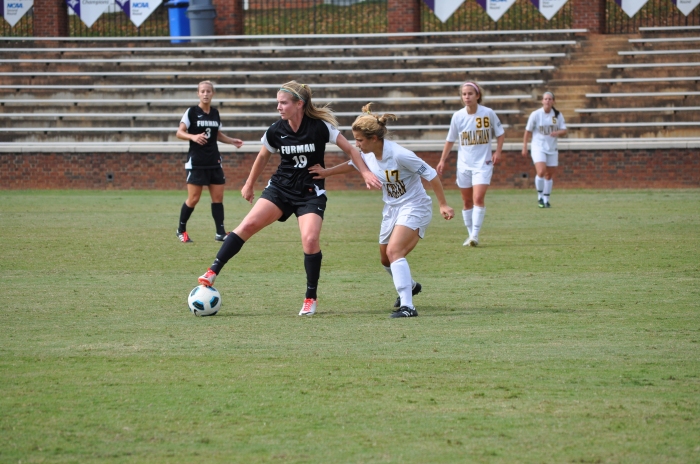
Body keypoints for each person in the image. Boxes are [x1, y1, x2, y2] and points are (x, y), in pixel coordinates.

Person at [197, 81, 382, 316]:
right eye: (278, 102)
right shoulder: (276, 129)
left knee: (310, 240)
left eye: (283, 103)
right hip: (280, 189)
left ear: (299, 104)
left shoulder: (320, 127)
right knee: (248, 225)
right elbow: (263, 157)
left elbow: (352, 150)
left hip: (309, 193)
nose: (279, 107)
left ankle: (310, 298)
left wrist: (366, 172)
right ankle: (212, 271)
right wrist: (249, 184)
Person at [309, 103, 455, 318]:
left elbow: (431, 174)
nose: (356, 144)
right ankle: (411, 286)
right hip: (391, 208)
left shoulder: (399, 154)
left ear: (374, 139)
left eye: (359, 140)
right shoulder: (367, 154)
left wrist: (443, 204)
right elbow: (352, 164)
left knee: (394, 252)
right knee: (386, 260)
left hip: (415, 205)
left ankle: (408, 306)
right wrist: (325, 173)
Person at [437, 81, 504, 247]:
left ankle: (475, 235)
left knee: (478, 197)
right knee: (467, 202)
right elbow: (450, 140)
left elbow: (500, 134)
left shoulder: (488, 113)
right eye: (464, 94)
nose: (467, 97)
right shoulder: (458, 116)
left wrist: (498, 152)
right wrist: (442, 160)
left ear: (478, 95)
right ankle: (470, 235)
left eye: (470, 93)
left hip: (483, 163)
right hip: (464, 165)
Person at [175, 80, 244, 243]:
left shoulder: (215, 113)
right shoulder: (191, 112)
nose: (205, 94)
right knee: (193, 198)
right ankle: (181, 230)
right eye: (202, 91)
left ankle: (220, 232)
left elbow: (217, 134)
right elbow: (179, 132)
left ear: (212, 94)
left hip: (214, 160)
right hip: (197, 162)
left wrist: (231, 140)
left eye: (208, 91)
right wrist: (192, 136)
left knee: (218, 198)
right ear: (198, 94)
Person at [521, 91, 567, 208]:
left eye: (550, 99)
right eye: (545, 99)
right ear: (542, 101)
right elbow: (528, 131)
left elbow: (564, 130)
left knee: (549, 175)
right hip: (538, 147)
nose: (547, 101)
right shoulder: (536, 114)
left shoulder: (557, 115)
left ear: (553, 101)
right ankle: (540, 197)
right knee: (541, 171)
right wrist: (525, 146)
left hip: (552, 147)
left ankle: (546, 199)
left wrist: (557, 132)